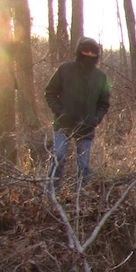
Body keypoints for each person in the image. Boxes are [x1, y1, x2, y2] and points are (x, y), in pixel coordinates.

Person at [44, 37, 111, 189]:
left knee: (84, 166)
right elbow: (49, 92)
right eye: (85, 50)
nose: (88, 54)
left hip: (87, 127)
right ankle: (51, 195)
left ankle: (83, 198)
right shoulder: (65, 69)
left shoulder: (100, 76)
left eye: (92, 52)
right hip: (63, 123)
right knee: (59, 158)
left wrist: (96, 119)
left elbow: (104, 103)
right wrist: (60, 112)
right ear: (79, 50)